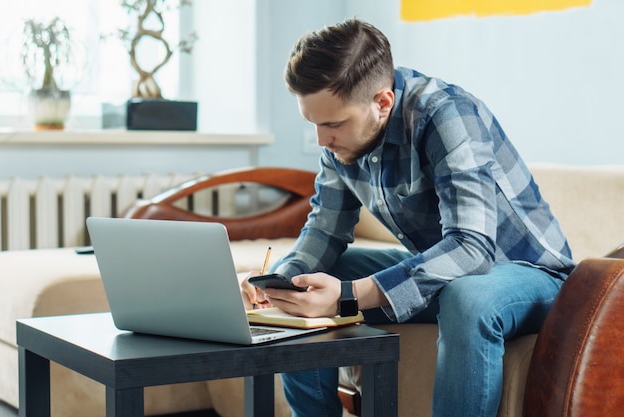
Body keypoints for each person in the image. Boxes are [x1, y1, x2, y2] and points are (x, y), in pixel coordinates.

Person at [241, 18, 576, 417]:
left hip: (531, 275)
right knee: (304, 283)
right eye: (313, 124)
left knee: (467, 297)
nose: (321, 141)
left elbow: (471, 248)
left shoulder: (447, 115)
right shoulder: (340, 140)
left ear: (382, 102)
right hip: (445, 273)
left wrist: (348, 296)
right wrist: (280, 282)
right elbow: (324, 229)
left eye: (333, 124)